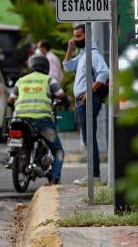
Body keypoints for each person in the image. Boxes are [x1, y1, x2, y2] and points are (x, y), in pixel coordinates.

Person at [7, 55, 70, 185]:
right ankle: (54, 179)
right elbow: (60, 94)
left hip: (20, 119)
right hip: (42, 122)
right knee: (58, 152)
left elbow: (10, 100)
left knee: (15, 132)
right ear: (46, 67)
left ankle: (13, 156)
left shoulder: (21, 80)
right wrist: (66, 102)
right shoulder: (48, 80)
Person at [63, 23, 110, 186]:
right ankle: (92, 174)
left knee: (89, 138)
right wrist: (70, 47)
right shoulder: (83, 54)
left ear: (87, 36)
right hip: (82, 100)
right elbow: (68, 67)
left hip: (89, 99)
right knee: (87, 137)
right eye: (74, 36)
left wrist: (89, 92)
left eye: (79, 37)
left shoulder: (93, 53)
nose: (75, 40)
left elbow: (104, 72)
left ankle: (94, 175)